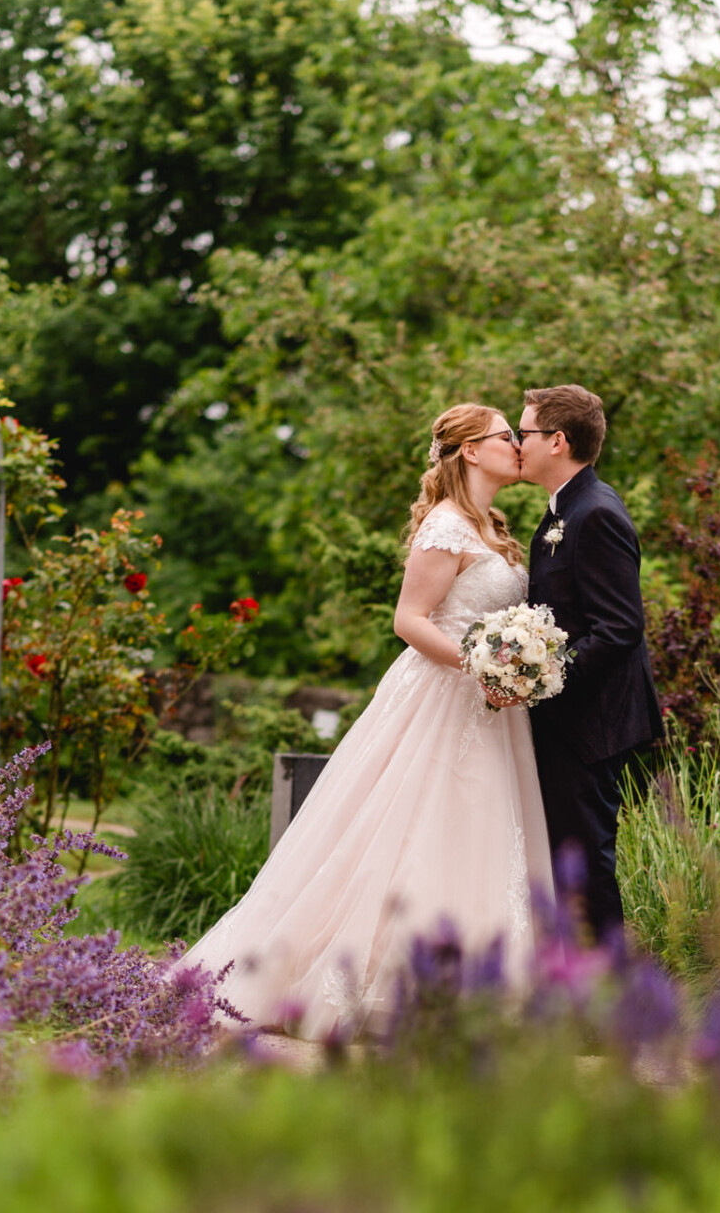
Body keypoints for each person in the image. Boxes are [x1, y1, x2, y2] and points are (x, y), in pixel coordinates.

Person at [175, 404, 553, 1037]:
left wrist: (512, 667)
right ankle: (369, 981)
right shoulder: (446, 525)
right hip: (441, 694)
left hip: (492, 707)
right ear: (469, 450)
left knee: (478, 829)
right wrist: (478, 665)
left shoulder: (494, 524)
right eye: (505, 436)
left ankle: (468, 984)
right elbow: (409, 620)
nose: (517, 445)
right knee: (410, 829)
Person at [517, 384, 664, 940]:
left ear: (557, 441)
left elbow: (621, 626)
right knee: (565, 858)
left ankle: (611, 996)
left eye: (524, 433)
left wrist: (543, 679)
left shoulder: (595, 513)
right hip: (566, 719)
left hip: (589, 722)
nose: (516, 443)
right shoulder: (563, 510)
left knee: (585, 860)